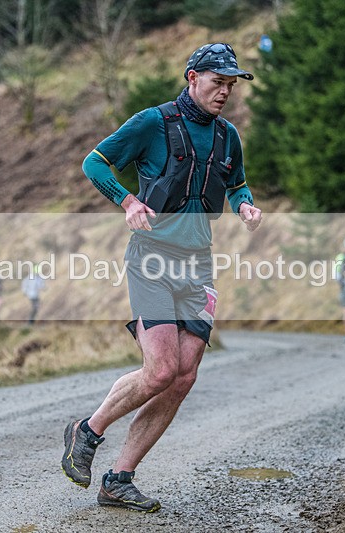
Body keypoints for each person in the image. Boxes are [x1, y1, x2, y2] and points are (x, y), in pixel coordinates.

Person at [61, 42, 262, 513]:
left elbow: (237, 184)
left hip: (199, 264)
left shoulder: (228, 135)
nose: (225, 92)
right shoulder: (153, 123)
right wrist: (128, 200)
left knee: (184, 376)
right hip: (151, 259)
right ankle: (87, 431)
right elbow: (94, 162)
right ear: (192, 77)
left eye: (231, 85)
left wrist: (245, 206)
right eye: (218, 82)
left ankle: (119, 480)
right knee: (161, 371)